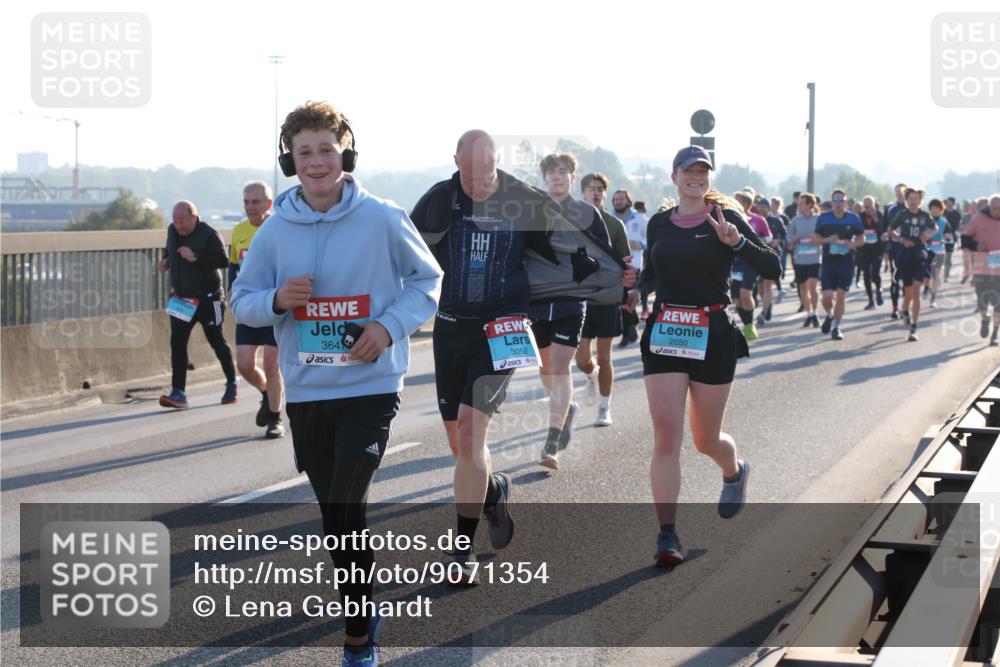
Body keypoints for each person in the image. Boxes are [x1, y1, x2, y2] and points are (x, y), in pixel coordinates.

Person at [230, 101, 442, 667]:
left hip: (370, 388)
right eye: (304, 153)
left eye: (327, 149)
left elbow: (427, 282)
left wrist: (386, 327)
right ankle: (364, 607)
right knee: (335, 519)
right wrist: (276, 299)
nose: (317, 161)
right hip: (307, 392)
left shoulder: (383, 217)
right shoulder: (275, 230)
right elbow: (241, 299)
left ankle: (357, 638)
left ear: (346, 154)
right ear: (289, 162)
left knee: (348, 504)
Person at [410, 130, 634, 585]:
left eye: (486, 171)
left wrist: (618, 277)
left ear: (499, 162)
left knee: (471, 432)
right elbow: (403, 250)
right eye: (468, 173)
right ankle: (493, 490)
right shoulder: (439, 200)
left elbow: (576, 246)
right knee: (460, 446)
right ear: (455, 161)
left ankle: (462, 550)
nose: (478, 181)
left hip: (505, 325)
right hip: (451, 327)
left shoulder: (524, 201)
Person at [633, 146, 779, 566]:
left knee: (705, 440)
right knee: (666, 437)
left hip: (713, 332)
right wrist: (635, 288)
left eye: (703, 171)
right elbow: (653, 275)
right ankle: (667, 535)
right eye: (689, 171)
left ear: (709, 178)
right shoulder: (660, 223)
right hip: (666, 330)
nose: (696, 177)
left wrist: (738, 243)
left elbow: (772, 268)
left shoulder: (725, 218)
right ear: (674, 176)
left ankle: (734, 471)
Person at [530, 153, 616, 467]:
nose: (557, 176)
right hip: (537, 302)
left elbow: (604, 254)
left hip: (571, 300)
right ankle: (567, 410)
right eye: (551, 172)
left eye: (563, 171)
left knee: (560, 365)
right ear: (544, 178)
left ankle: (551, 443)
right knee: (545, 368)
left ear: (572, 177)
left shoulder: (587, 213)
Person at [157, 200, 238, 409]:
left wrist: (195, 257)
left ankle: (232, 382)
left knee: (216, 341)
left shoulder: (209, 233)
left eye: (182, 222)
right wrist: (166, 261)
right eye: (175, 221)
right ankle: (178, 393)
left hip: (209, 299)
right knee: (177, 343)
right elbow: (169, 251)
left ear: (194, 217)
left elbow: (223, 260)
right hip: (182, 299)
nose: (179, 226)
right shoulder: (172, 231)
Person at [229, 181, 285, 438]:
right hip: (249, 304)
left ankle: (275, 418)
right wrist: (230, 288)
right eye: (246, 202)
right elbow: (234, 266)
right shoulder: (239, 231)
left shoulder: (279, 228)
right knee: (244, 364)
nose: (250, 207)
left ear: (268, 204)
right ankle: (266, 393)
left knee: (271, 364)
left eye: (256, 202)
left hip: (273, 304)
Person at [577, 172, 631, 427]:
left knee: (605, 357)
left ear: (605, 194)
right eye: (591, 188)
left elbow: (625, 262)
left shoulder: (614, 225)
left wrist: (627, 292)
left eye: (600, 189)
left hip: (607, 299)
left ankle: (604, 408)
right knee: (582, 360)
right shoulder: (571, 222)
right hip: (579, 299)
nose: (596, 193)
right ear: (582, 193)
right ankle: (591, 375)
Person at [815, 188, 865, 340]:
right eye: (835, 200)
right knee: (827, 296)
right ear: (831, 203)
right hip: (829, 260)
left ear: (845, 202)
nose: (838, 203)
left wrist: (852, 244)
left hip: (846, 260)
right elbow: (815, 239)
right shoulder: (824, 218)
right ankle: (830, 314)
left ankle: (836, 327)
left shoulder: (853, 218)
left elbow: (862, 238)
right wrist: (828, 240)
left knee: (841, 295)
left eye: (840, 200)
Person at [888, 187, 937, 341]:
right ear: (906, 200)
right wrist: (902, 239)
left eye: (916, 199)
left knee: (916, 290)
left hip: (919, 253)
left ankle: (914, 328)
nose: (913, 201)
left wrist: (926, 236)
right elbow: (890, 231)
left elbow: (934, 228)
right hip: (904, 254)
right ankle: (904, 310)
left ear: (920, 200)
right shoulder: (902, 215)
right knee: (908, 291)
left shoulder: (924, 215)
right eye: (910, 199)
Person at [731, 191, 772, 340]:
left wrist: (753, 247)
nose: (733, 203)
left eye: (737, 201)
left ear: (746, 204)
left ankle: (750, 325)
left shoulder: (758, 220)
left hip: (751, 263)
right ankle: (747, 324)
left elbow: (768, 239)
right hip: (735, 264)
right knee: (737, 299)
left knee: (745, 293)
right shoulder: (730, 218)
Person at [962, 194, 1000, 345]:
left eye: (999, 209)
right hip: (982, 268)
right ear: (989, 207)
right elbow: (965, 239)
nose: (996, 212)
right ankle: (985, 319)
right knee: (982, 300)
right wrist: (976, 246)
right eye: (994, 208)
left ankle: (995, 333)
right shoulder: (979, 219)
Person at [614, 189, 643, 346]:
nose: (618, 202)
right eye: (616, 199)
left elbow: (651, 239)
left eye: (621, 199)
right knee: (620, 300)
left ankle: (628, 332)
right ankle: (630, 327)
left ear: (628, 201)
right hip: (615, 268)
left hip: (634, 267)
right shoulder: (609, 218)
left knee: (626, 298)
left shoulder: (639, 218)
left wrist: (640, 244)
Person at [788, 193, 822, 327]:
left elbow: (824, 235)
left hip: (815, 258)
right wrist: (793, 240)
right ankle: (809, 313)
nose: (799, 205)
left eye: (802, 203)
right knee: (803, 288)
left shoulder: (819, 219)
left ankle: (815, 312)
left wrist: (818, 239)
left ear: (810, 205)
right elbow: (788, 238)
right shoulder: (795, 220)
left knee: (813, 286)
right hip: (800, 259)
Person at [755, 197, 785, 324]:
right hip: (758, 256)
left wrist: (779, 240)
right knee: (760, 287)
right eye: (760, 207)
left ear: (769, 208)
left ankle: (764, 312)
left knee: (767, 285)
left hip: (773, 255)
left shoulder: (776, 220)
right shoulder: (755, 220)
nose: (762, 209)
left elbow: (784, 235)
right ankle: (768, 306)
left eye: (765, 207)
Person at [884, 183, 908, 319]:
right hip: (894, 248)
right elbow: (885, 226)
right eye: (897, 191)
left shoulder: (911, 208)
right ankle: (894, 309)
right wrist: (884, 236)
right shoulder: (890, 208)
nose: (899, 193)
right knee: (895, 279)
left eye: (902, 191)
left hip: (908, 248)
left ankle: (905, 308)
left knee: (907, 280)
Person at [858, 196, 885, 310]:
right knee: (866, 275)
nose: (867, 208)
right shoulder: (860, 217)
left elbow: (883, 229)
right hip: (864, 249)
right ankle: (870, 300)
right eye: (865, 206)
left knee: (875, 274)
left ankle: (878, 291)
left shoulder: (879, 215)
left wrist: (875, 218)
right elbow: (856, 230)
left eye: (869, 206)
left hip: (877, 249)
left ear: (874, 205)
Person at [926, 198, 948, 308]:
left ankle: (933, 299)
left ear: (941, 209)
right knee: (928, 275)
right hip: (927, 250)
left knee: (935, 276)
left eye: (937, 208)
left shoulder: (944, 222)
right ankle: (927, 288)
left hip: (939, 251)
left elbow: (949, 236)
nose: (934, 210)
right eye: (932, 208)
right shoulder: (925, 220)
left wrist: (945, 239)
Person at [943, 196, 962, 282]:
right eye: (947, 202)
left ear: (953, 203)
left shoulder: (957, 214)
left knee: (948, 257)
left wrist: (957, 238)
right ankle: (937, 274)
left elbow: (959, 227)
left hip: (951, 237)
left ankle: (946, 275)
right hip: (941, 237)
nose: (948, 204)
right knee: (939, 256)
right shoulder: (942, 212)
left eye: (950, 202)